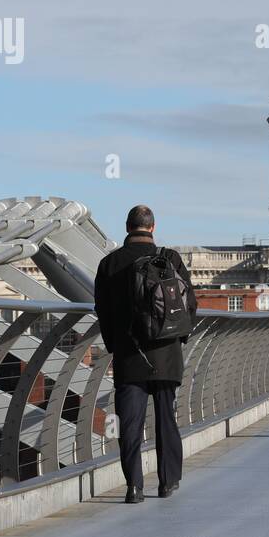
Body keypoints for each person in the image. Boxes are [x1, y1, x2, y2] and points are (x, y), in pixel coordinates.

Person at [93, 204, 195, 503]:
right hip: (166, 353)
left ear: (127, 228)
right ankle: (168, 482)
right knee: (166, 420)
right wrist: (179, 339)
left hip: (129, 355)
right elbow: (190, 305)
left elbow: (103, 311)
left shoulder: (110, 264)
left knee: (130, 425)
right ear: (152, 227)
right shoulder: (171, 259)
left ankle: (134, 487)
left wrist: (114, 345)